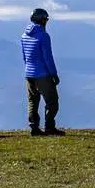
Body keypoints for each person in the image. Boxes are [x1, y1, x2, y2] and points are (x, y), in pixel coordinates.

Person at [21, 8, 63, 136]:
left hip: (29, 74)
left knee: (33, 100)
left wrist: (28, 70)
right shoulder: (43, 36)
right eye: (46, 19)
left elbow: (25, 57)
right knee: (52, 101)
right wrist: (53, 74)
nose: (46, 22)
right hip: (42, 74)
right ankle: (49, 127)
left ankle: (34, 128)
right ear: (42, 20)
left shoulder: (24, 35)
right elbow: (47, 57)